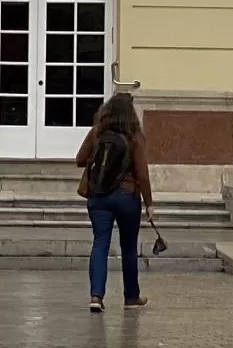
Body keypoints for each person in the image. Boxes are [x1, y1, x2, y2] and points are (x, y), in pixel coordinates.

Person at [74, 90, 153, 314]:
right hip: (127, 197)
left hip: (99, 197)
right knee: (128, 246)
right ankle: (131, 297)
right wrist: (149, 203)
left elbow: (79, 160)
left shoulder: (97, 131)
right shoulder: (134, 135)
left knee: (100, 243)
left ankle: (96, 297)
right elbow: (142, 174)